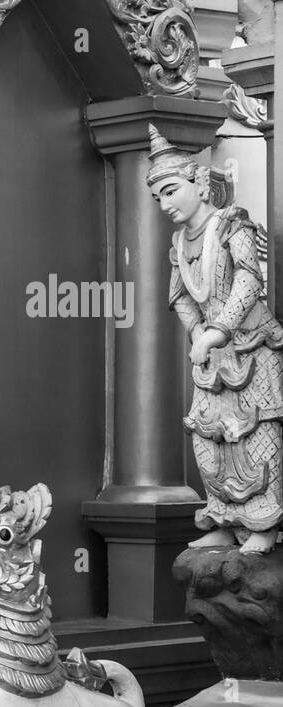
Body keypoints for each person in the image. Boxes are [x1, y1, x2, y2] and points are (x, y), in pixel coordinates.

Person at [148, 125, 283, 554]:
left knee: (255, 433)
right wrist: (198, 336)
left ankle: (264, 523)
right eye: (158, 198)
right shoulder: (177, 242)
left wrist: (218, 330)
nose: (165, 204)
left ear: (200, 183)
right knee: (209, 435)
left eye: (170, 191)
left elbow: (249, 279)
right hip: (211, 355)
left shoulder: (231, 225)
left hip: (251, 346)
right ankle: (224, 518)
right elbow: (181, 297)